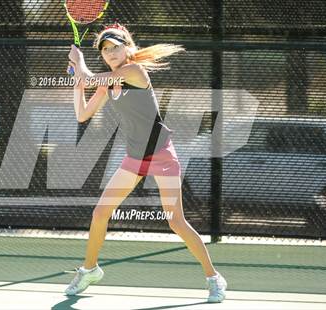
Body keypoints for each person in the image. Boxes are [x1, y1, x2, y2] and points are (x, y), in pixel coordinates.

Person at [65, 23, 227, 303]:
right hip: (134, 159)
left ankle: (214, 278)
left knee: (176, 221)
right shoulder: (109, 81)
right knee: (100, 213)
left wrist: (80, 64)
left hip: (162, 156)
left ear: (128, 48)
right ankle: (89, 270)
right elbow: (82, 114)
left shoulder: (134, 72)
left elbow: (90, 78)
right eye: (106, 50)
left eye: (116, 47)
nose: (112, 53)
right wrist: (77, 84)